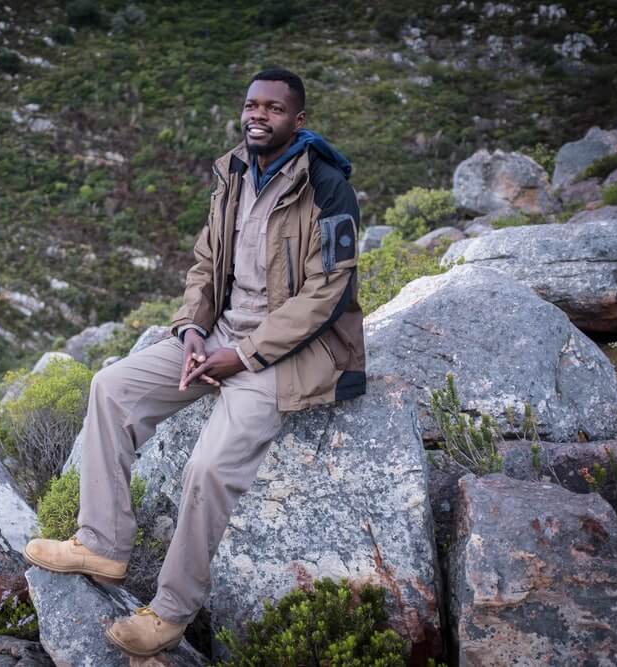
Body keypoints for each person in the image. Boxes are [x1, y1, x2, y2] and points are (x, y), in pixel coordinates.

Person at [23, 68, 366, 657]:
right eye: (251, 105)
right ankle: (101, 544)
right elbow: (207, 264)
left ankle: (171, 613)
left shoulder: (328, 187)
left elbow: (326, 294)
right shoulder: (232, 172)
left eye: (274, 109)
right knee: (111, 387)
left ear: (298, 120)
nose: (258, 115)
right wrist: (190, 331)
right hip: (220, 337)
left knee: (207, 469)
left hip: (288, 355)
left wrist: (244, 355)